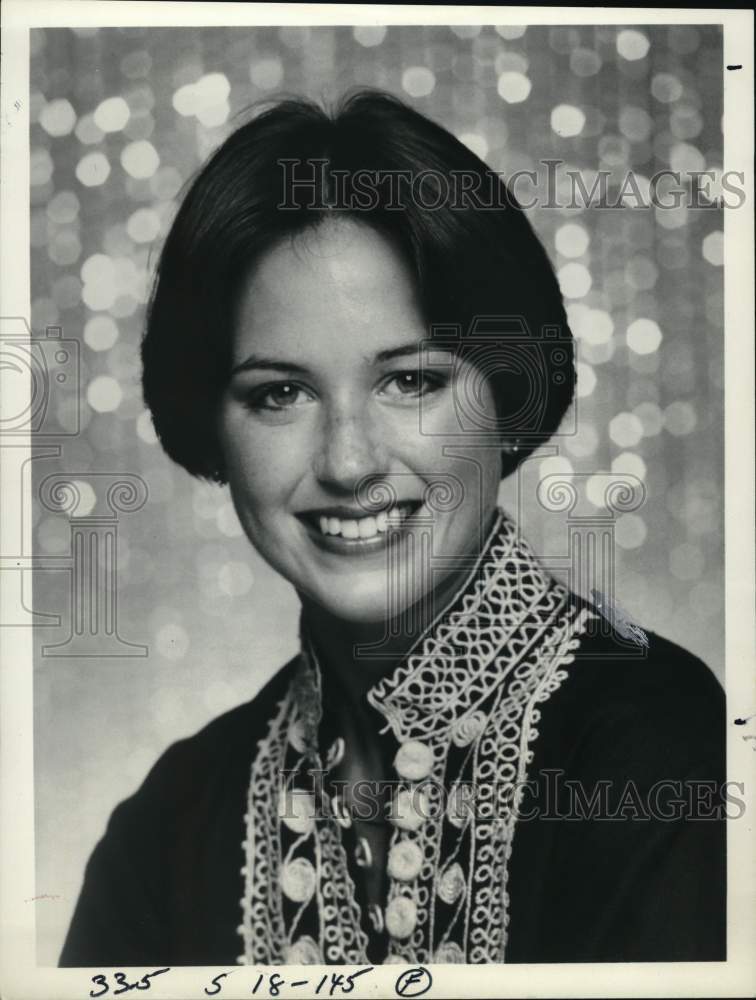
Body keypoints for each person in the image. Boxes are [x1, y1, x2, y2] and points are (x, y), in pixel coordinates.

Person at [60, 90, 725, 967]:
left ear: (509, 399)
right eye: (279, 393)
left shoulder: (668, 751)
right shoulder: (168, 826)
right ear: (212, 427)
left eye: (410, 381)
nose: (347, 461)